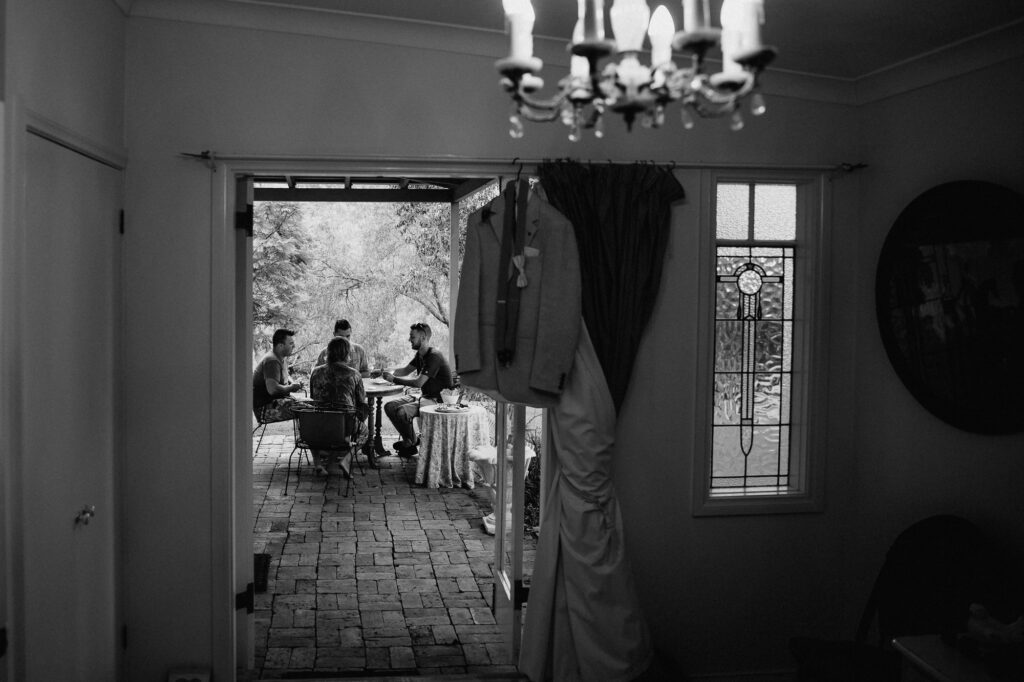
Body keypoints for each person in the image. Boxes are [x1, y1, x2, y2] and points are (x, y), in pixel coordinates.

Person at [382, 322, 454, 457]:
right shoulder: (420, 354)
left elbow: (418, 383)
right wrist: (382, 371)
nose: (409, 339)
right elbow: (404, 370)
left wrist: (393, 379)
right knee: (389, 406)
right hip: (424, 396)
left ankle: (410, 443)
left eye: (412, 337)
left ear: (423, 338)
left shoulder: (434, 356)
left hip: (437, 401)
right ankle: (411, 441)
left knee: (401, 412)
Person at [309, 336, 370, 476]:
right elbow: (361, 401)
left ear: (328, 353)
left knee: (317, 416)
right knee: (364, 431)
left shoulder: (316, 372)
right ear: (346, 354)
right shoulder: (354, 374)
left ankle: (318, 463)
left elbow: (313, 397)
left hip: (317, 424)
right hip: (343, 426)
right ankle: (346, 459)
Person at [252, 328, 304, 422]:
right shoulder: (272, 361)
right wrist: (291, 388)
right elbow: (273, 390)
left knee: (310, 405)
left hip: (274, 403)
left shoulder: (281, 358)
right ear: (280, 346)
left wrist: (293, 383)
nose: (294, 346)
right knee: (308, 410)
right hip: (264, 409)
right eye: (291, 343)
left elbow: (283, 377)